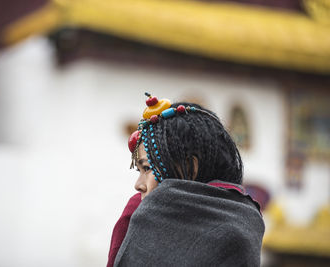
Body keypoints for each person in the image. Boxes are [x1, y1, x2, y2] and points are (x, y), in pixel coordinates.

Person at [108, 93, 264, 267]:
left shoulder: (237, 229)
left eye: (146, 168)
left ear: (190, 166)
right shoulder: (134, 212)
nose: (138, 185)